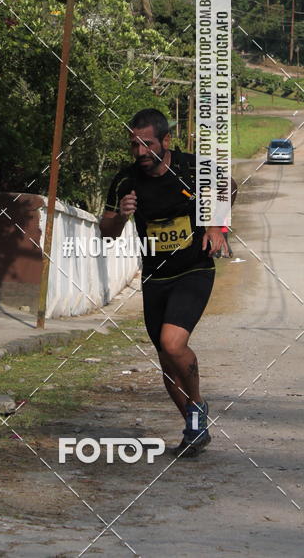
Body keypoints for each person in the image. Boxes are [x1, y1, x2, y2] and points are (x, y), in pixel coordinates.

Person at [99, 108, 237, 458]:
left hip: (194, 269)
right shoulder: (125, 182)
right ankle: (194, 428)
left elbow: (229, 187)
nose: (141, 153)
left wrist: (215, 227)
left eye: (148, 144)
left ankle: (198, 407)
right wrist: (123, 215)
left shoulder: (192, 169)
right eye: (134, 145)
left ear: (166, 142)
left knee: (172, 343)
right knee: (166, 359)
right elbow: (107, 232)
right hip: (155, 277)